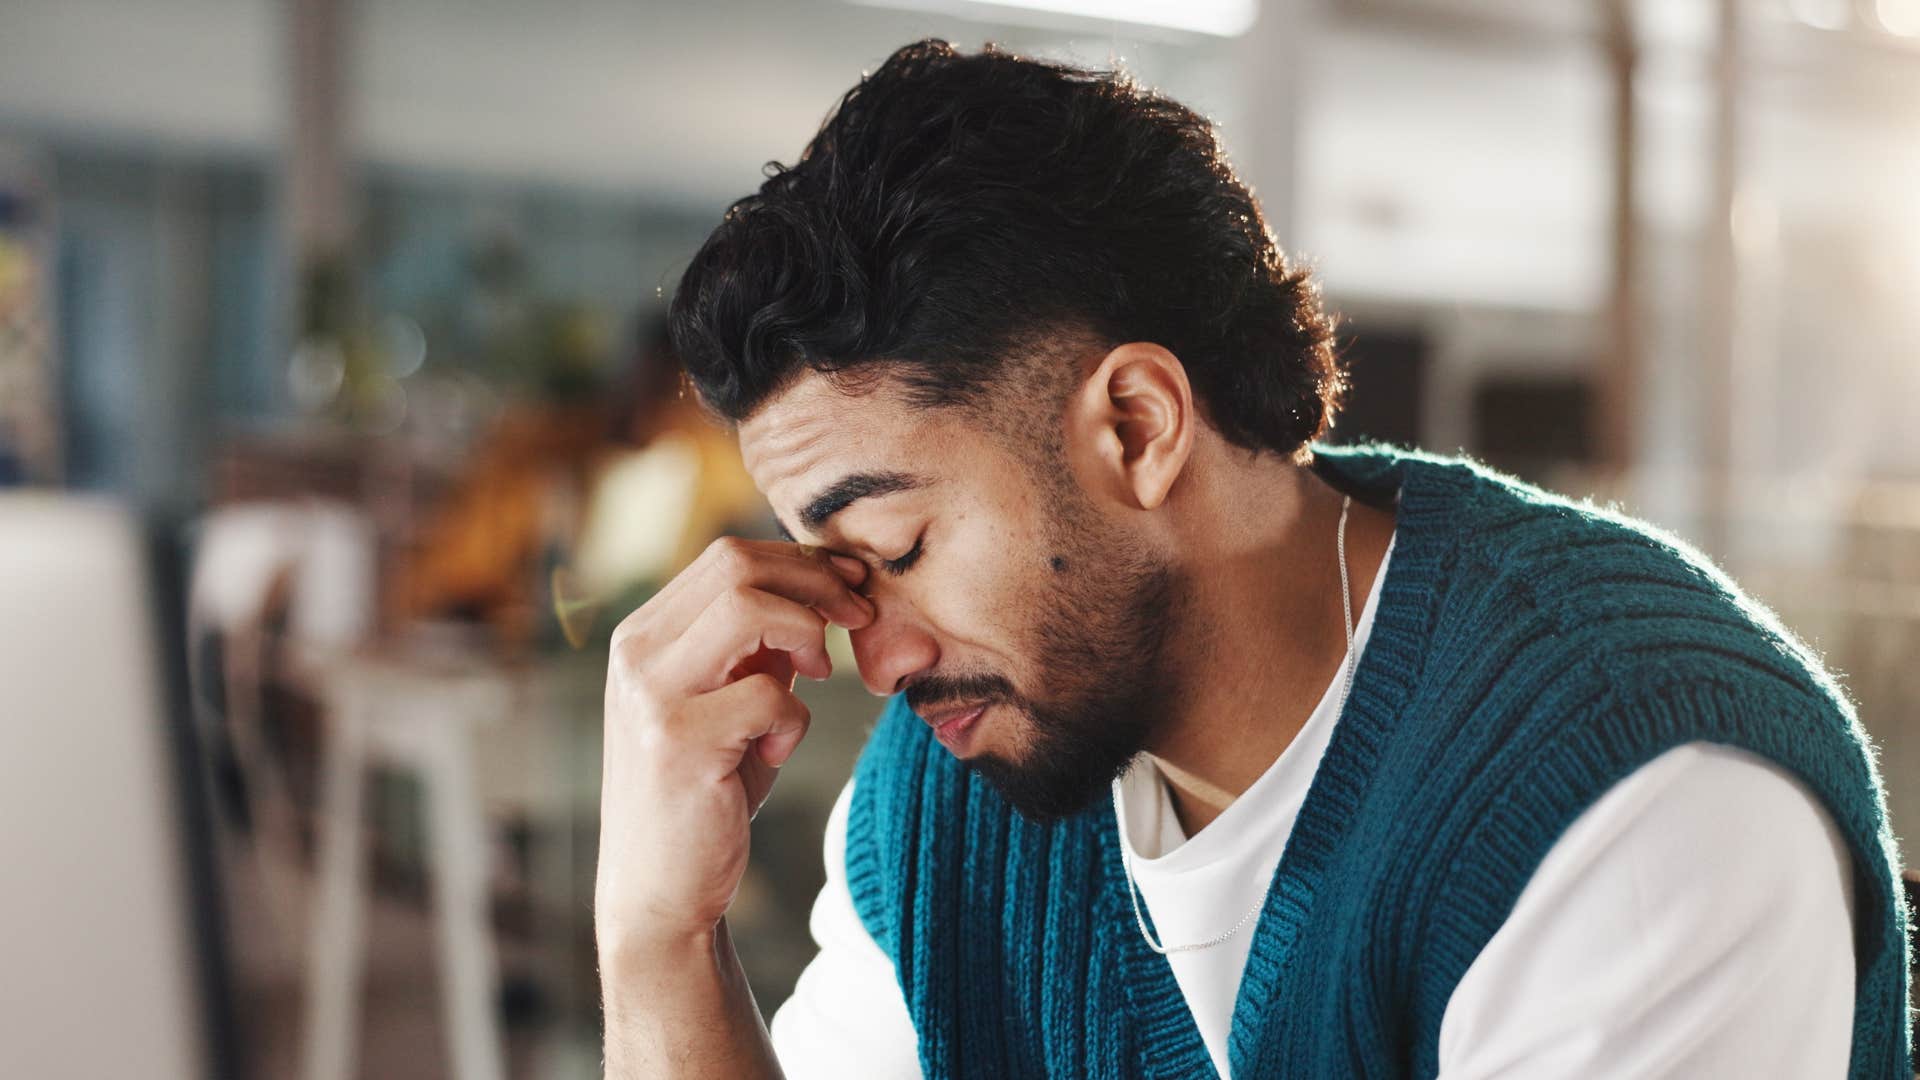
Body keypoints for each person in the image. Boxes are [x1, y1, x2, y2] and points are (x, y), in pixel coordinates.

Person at [594, 40, 1909, 1078]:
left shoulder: (1628, 799)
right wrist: (657, 947)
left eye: (897, 547)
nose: (871, 659)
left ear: (1138, 425)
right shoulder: (965, 796)